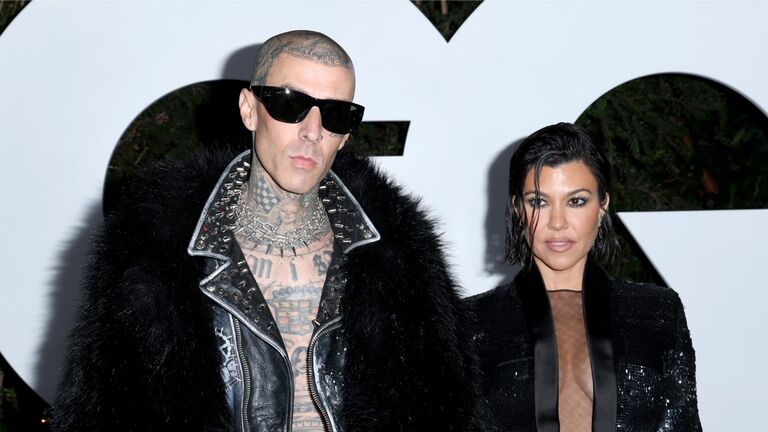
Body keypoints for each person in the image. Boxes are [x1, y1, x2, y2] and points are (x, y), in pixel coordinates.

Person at [53, 30, 486, 431]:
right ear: (248, 109)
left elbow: (448, 414)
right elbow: (103, 415)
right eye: (289, 104)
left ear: (346, 135)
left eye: (335, 114)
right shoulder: (156, 250)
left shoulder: (400, 254)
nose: (312, 131)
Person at [466, 123, 701, 431]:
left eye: (576, 201)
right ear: (518, 208)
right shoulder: (471, 323)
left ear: (602, 205)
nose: (558, 223)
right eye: (539, 202)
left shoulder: (658, 312)